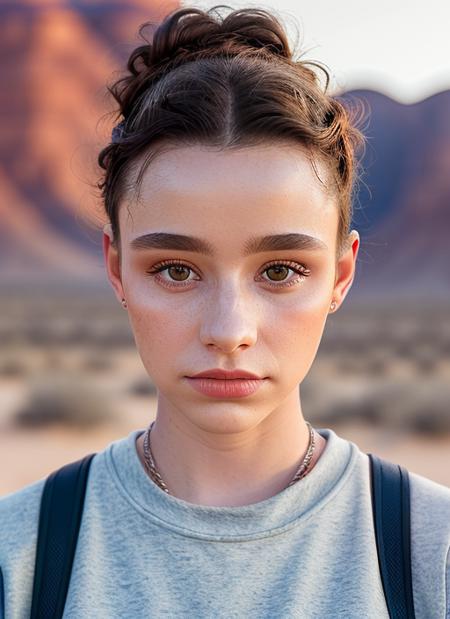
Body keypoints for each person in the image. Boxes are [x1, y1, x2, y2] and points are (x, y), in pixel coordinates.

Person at [1, 5, 449, 618]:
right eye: (176, 271)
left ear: (341, 275)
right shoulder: (16, 559)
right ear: (117, 270)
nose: (229, 331)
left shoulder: (435, 553)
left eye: (281, 271)